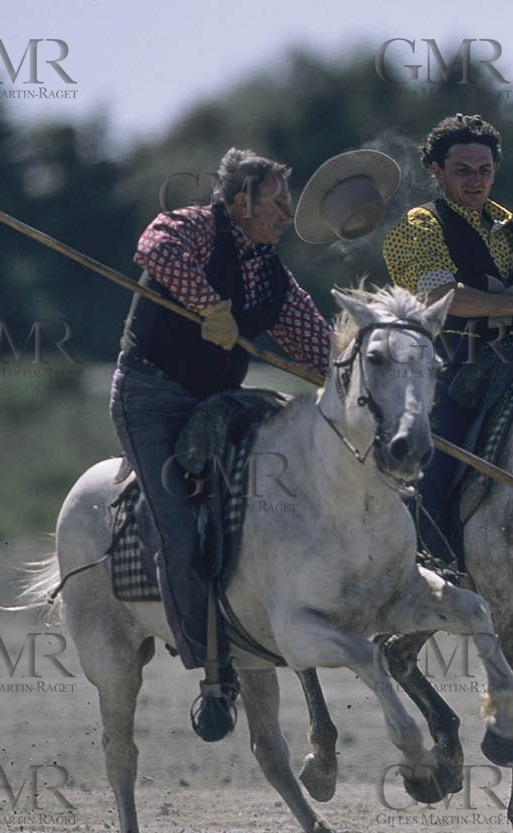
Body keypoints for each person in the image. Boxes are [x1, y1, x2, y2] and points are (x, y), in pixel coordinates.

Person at [111, 147, 332, 741]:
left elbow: (316, 347)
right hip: (149, 400)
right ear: (241, 203)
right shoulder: (192, 228)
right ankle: (213, 673)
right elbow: (153, 247)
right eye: (279, 202)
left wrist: (356, 377)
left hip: (215, 402)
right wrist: (210, 306)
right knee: (180, 533)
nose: (288, 215)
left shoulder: (270, 272)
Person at [381, 113, 513, 561]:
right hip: (445, 368)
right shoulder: (419, 226)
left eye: (484, 170)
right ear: (437, 172)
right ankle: (425, 565)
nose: (475, 181)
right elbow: (440, 296)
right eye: (462, 170)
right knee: (435, 463)